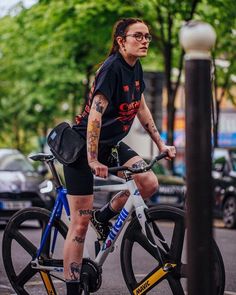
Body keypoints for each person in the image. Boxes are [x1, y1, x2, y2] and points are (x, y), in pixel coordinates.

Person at [63, 18, 176, 294]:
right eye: (138, 36)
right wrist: (92, 159)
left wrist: (161, 144)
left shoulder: (136, 67)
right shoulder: (111, 69)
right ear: (121, 41)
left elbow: (142, 109)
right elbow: (95, 117)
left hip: (112, 145)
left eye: (148, 36)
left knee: (148, 183)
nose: (145, 41)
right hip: (82, 148)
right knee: (79, 224)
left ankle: (104, 217)